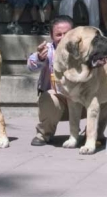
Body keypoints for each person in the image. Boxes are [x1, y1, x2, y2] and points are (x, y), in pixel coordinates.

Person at [27, 15, 75, 146]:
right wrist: (39, 58)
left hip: (81, 102)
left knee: (105, 96)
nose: (63, 38)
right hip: (58, 103)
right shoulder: (47, 50)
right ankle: (44, 134)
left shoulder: (85, 49)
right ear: (51, 36)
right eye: (58, 34)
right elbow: (31, 65)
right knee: (49, 97)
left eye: (67, 33)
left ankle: (94, 134)